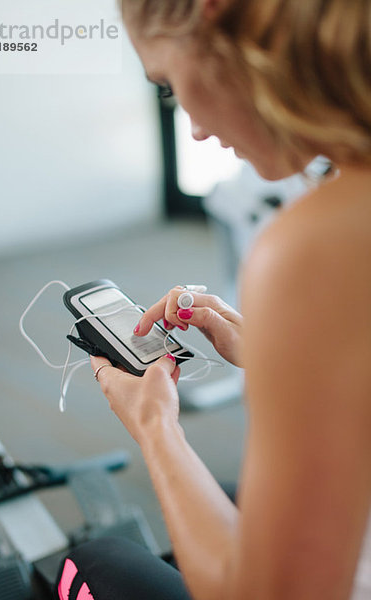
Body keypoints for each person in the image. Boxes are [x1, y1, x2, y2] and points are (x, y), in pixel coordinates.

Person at [56, 1, 371, 598]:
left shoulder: (316, 243)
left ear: (213, 17)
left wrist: (154, 426)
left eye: (169, 83)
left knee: (94, 560)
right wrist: (282, 356)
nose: (195, 128)